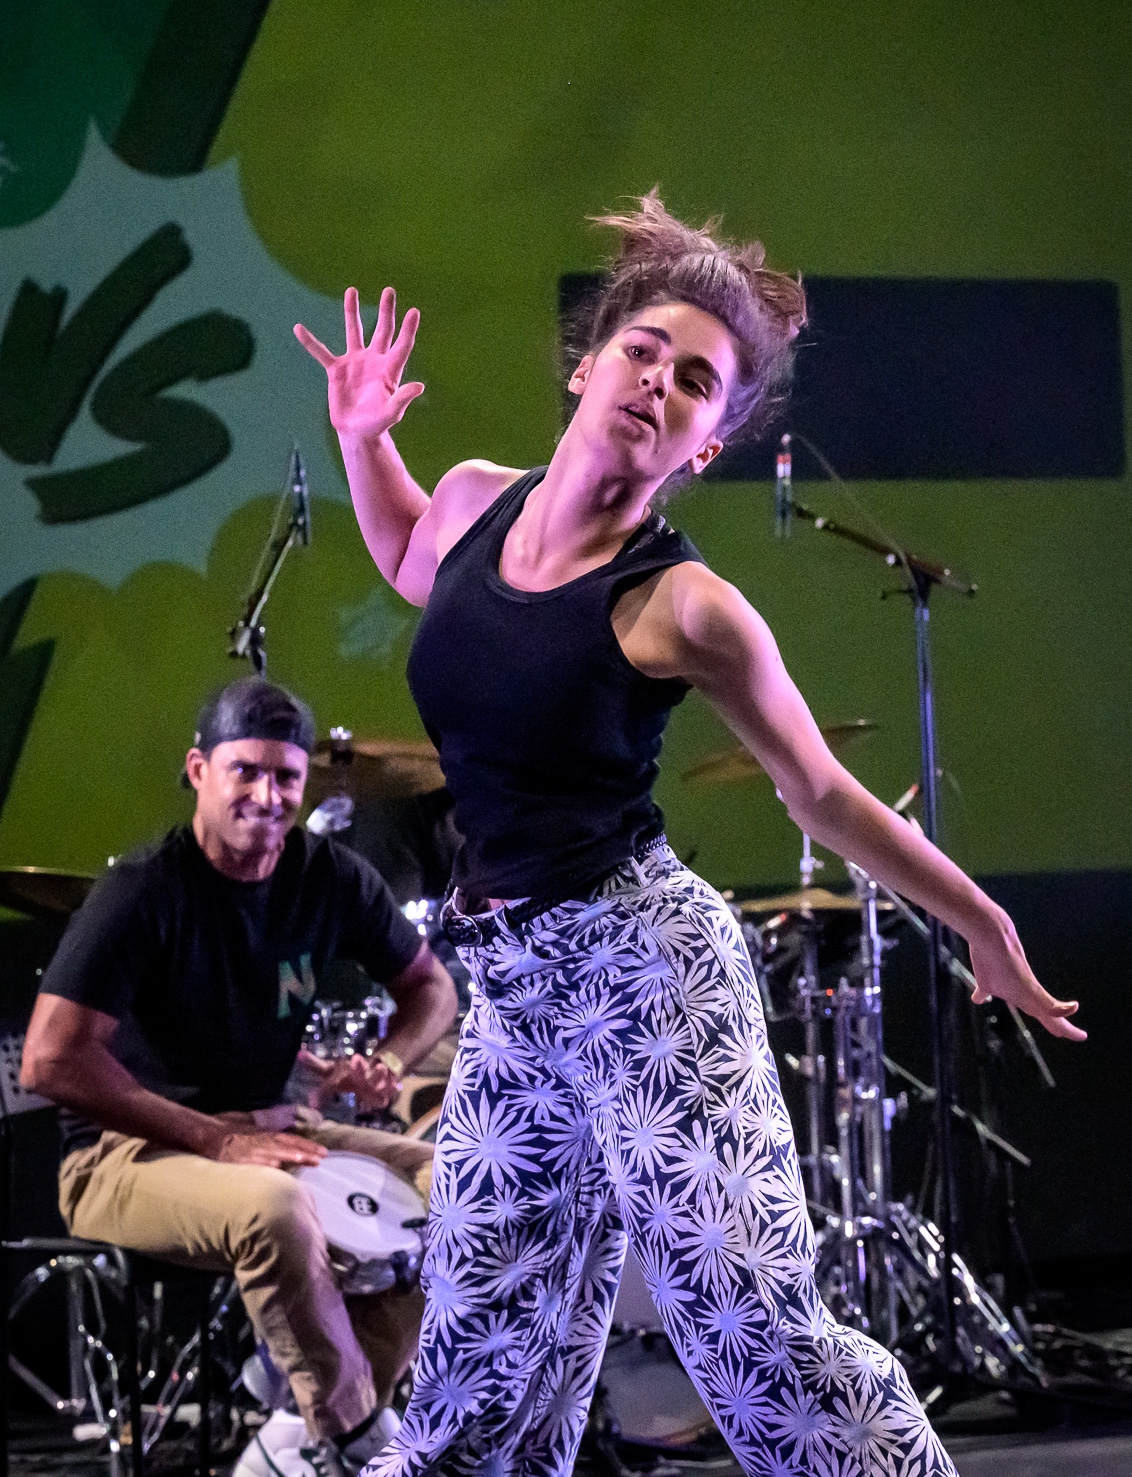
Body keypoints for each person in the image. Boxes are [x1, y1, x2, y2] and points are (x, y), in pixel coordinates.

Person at [294, 194, 1085, 1477]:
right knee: (478, 1373)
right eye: (642, 353)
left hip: (644, 977)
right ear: (585, 365)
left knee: (749, 1338)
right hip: (509, 991)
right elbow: (411, 563)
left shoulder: (686, 605)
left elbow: (822, 793)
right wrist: (361, 440)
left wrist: (982, 925)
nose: (657, 383)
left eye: (695, 382)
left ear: (705, 442)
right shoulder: (476, 502)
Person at [21, 678, 459, 1477]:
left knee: (458, 1183)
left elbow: (431, 986)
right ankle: (358, 1436)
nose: (268, 795)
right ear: (200, 770)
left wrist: (389, 1063)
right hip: (120, 1156)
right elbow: (49, 1057)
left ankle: (298, 1419)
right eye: (246, 771)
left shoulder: (325, 874)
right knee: (275, 1205)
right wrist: (215, 1137)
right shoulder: (146, 889)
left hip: (266, 1126)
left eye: (286, 777)